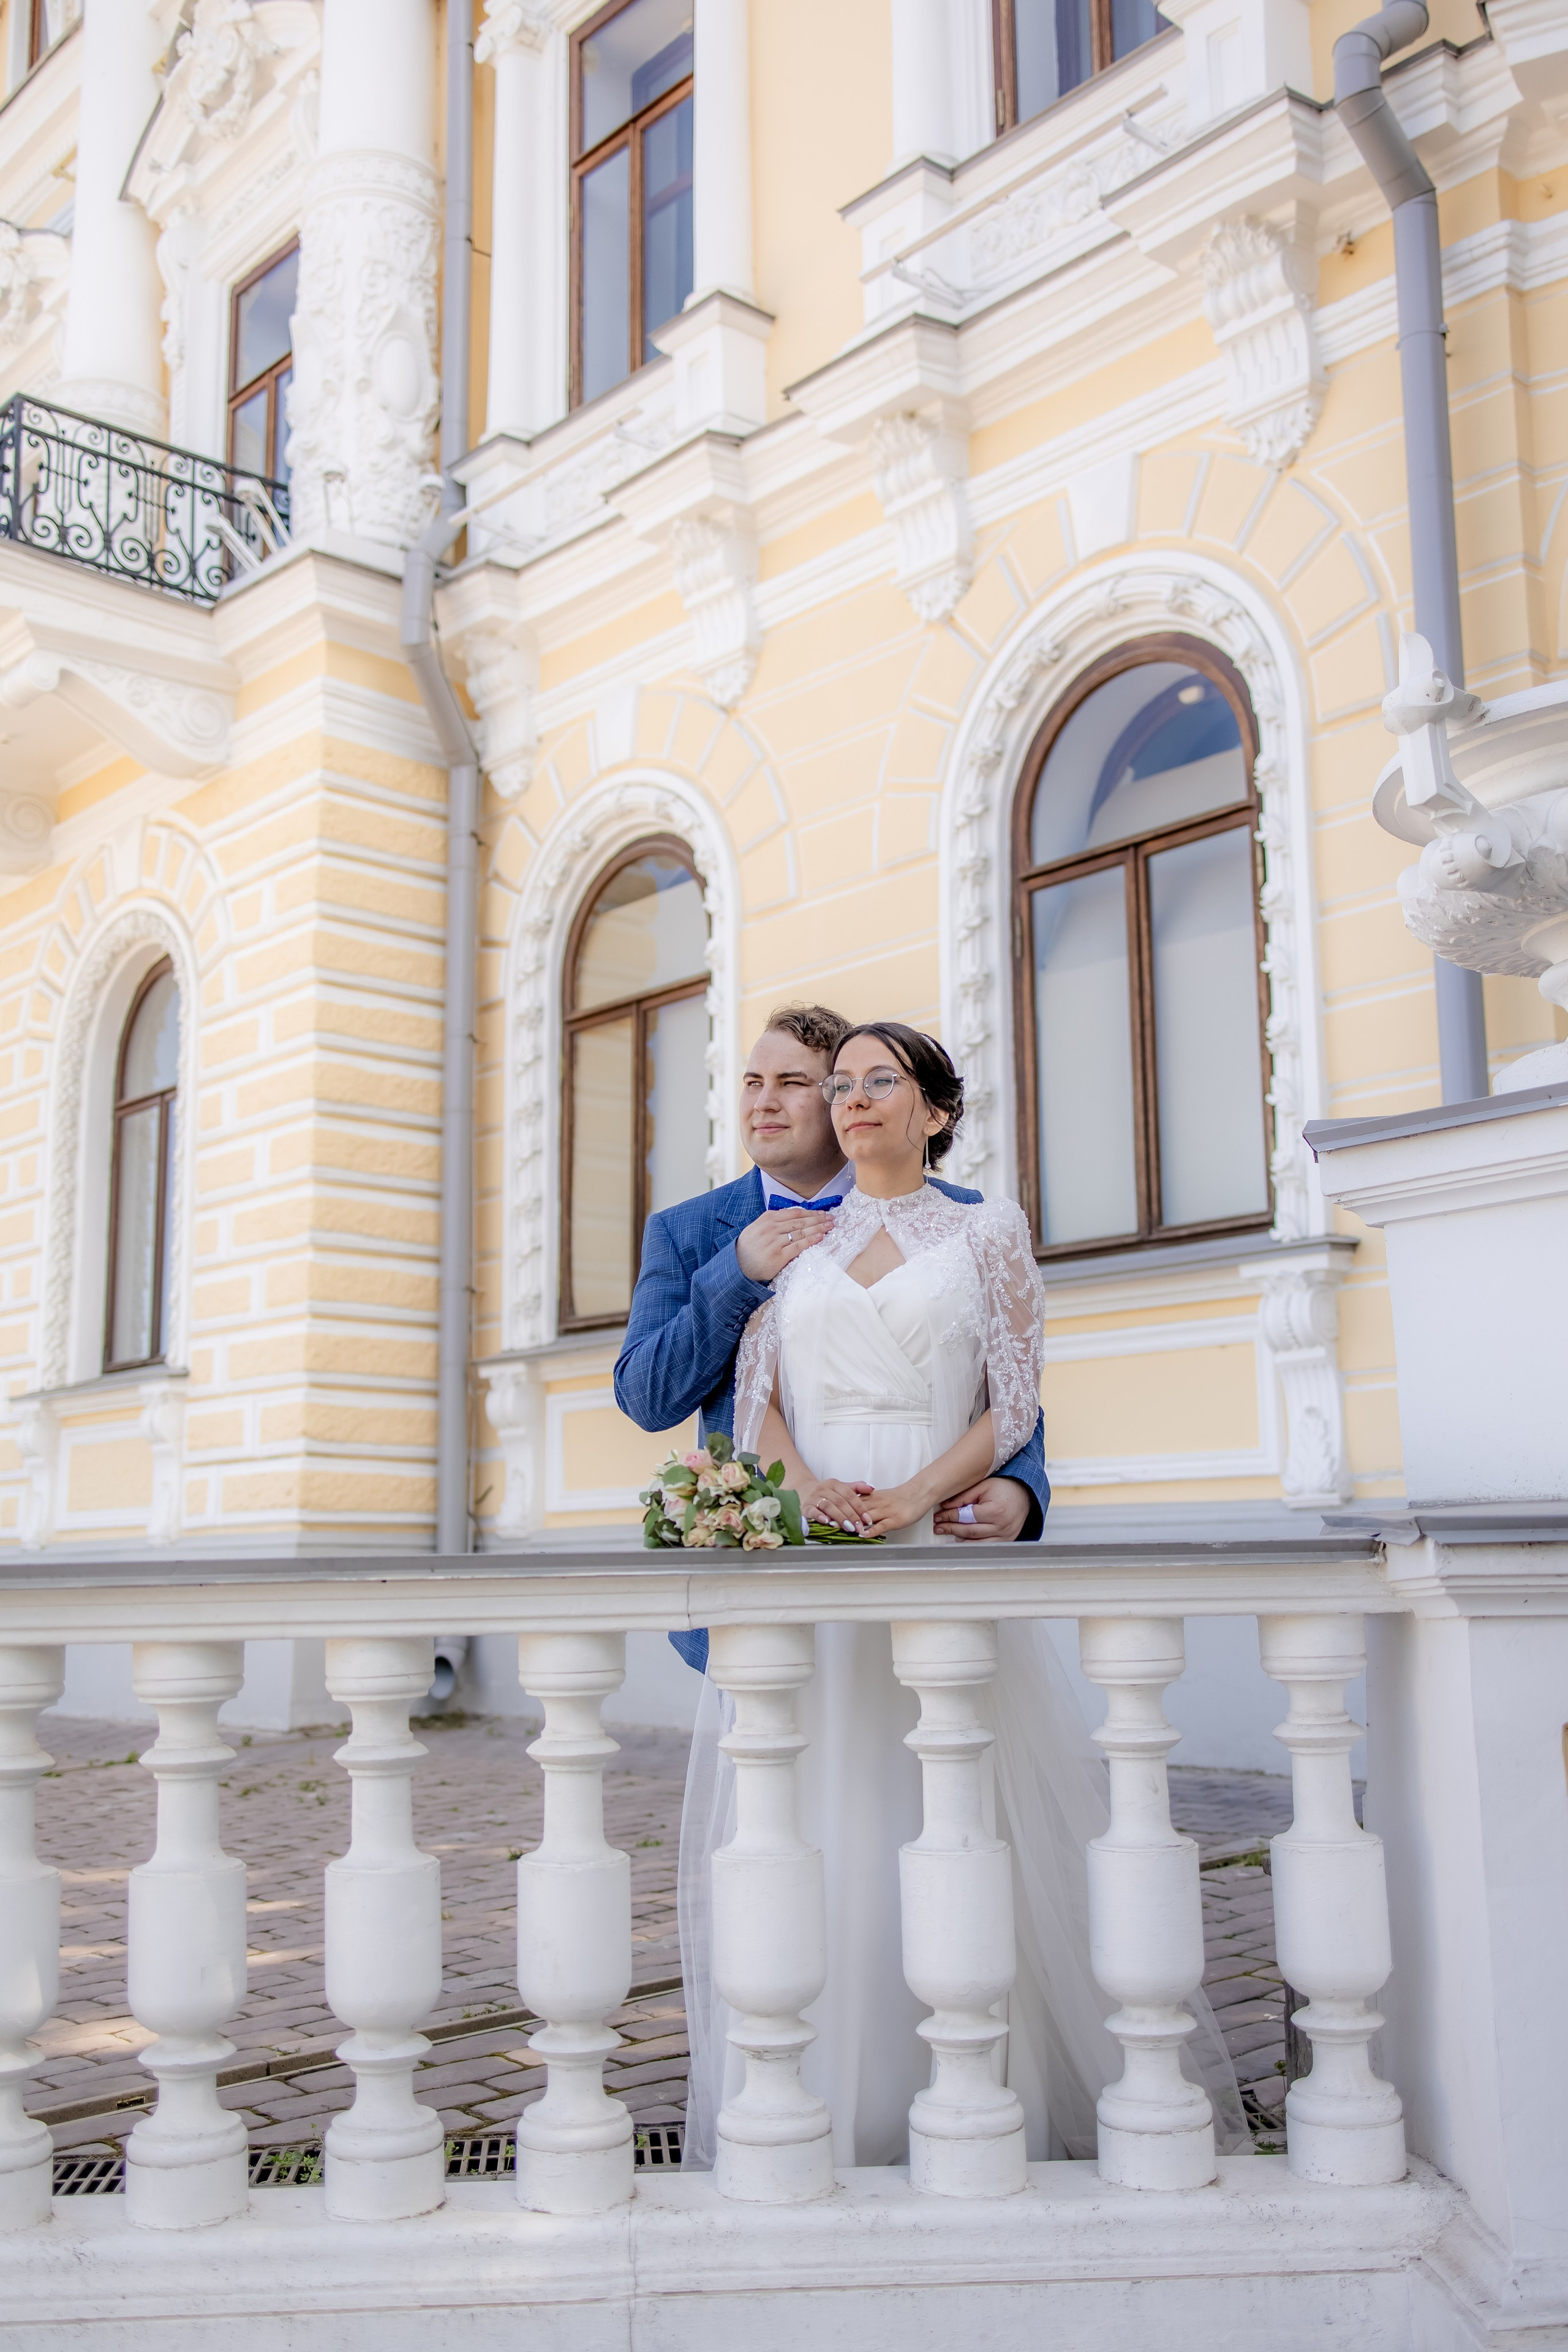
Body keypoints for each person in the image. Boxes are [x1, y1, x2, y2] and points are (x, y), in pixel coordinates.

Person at [676, 1021, 1247, 2173]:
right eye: (839, 1085)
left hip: (932, 1534)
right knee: (824, 1805)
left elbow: (1015, 1403)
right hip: (821, 1551)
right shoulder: (792, 1239)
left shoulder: (988, 1229)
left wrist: (915, 1500)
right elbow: (758, 1394)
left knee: (953, 1805)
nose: (850, 1100)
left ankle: (979, 2091)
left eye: (877, 1081)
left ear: (936, 1111)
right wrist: (807, 1493)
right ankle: (834, 2094)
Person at [614, 1004, 1051, 1672]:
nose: (763, 1102)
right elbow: (645, 1398)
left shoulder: (968, 1219)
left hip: (933, 1533)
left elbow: (1007, 1385)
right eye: (751, 1081)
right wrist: (735, 1276)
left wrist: (1021, 1488)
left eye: (793, 1083)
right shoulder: (685, 1230)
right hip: (768, 1567)